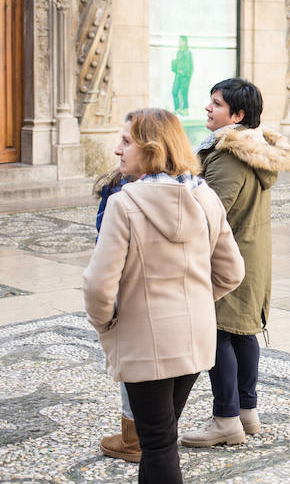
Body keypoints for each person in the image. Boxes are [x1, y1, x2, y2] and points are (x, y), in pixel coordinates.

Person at [83, 109, 244, 484]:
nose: (117, 150)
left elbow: (97, 285)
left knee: (156, 443)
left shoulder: (125, 202)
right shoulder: (203, 195)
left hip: (145, 341)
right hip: (195, 338)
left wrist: (108, 321)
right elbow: (232, 272)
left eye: (126, 141)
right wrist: (198, 301)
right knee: (163, 437)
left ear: (151, 147)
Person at [181, 78, 290, 447]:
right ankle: (246, 412)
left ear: (238, 115)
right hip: (249, 252)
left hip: (227, 257)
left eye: (216, 104)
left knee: (218, 334)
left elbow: (210, 214)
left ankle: (226, 419)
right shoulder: (249, 150)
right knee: (242, 331)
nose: (207, 109)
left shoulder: (229, 155)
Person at [92, 168, 141, 463]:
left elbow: (104, 254)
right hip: (175, 301)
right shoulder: (190, 187)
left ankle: (134, 437)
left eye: (127, 142)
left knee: (132, 361)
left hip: (131, 291)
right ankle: (149, 431)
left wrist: (103, 315)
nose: (118, 150)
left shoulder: (122, 193)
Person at [171, 36, 194, 116]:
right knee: (174, 91)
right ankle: (177, 109)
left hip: (184, 76)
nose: (179, 42)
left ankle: (185, 109)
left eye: (180, 41)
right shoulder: (179, 51)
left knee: (184, 92)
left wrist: (184, 73)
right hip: (178, 75)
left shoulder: (188, 52)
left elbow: (190, 66)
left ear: (185, 42)